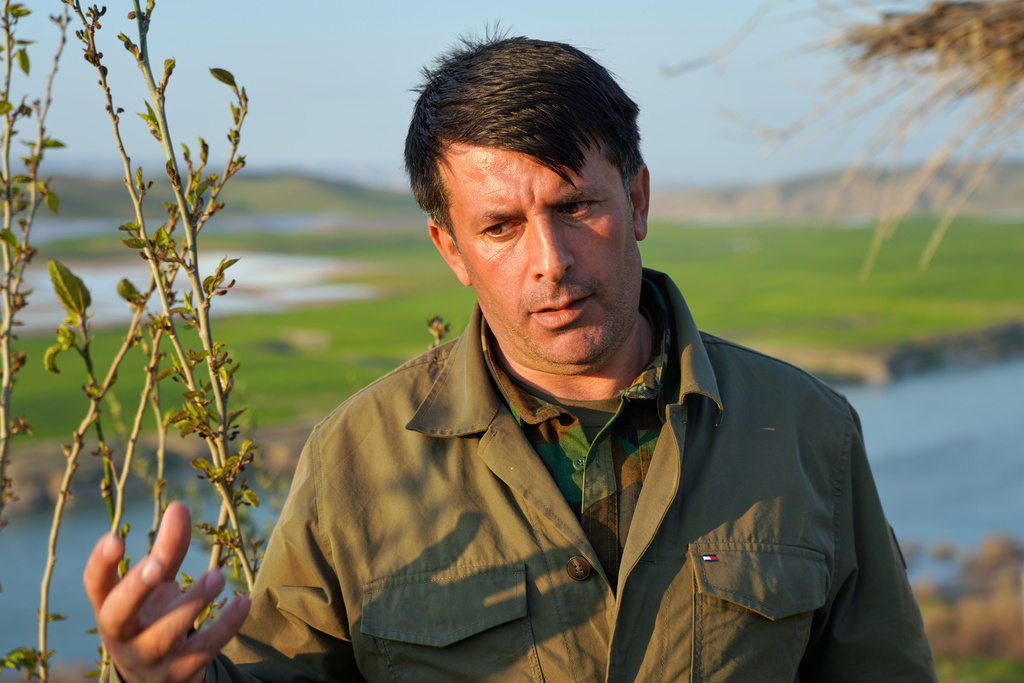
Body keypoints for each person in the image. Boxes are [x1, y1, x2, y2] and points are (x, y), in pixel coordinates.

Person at [84, 35, 937, 682]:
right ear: (451, 248)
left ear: (638, 200)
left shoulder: (806, 429)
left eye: (577, 207)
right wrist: (160, 672)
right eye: (500, 226)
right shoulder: (355, 458)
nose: (551, 261)